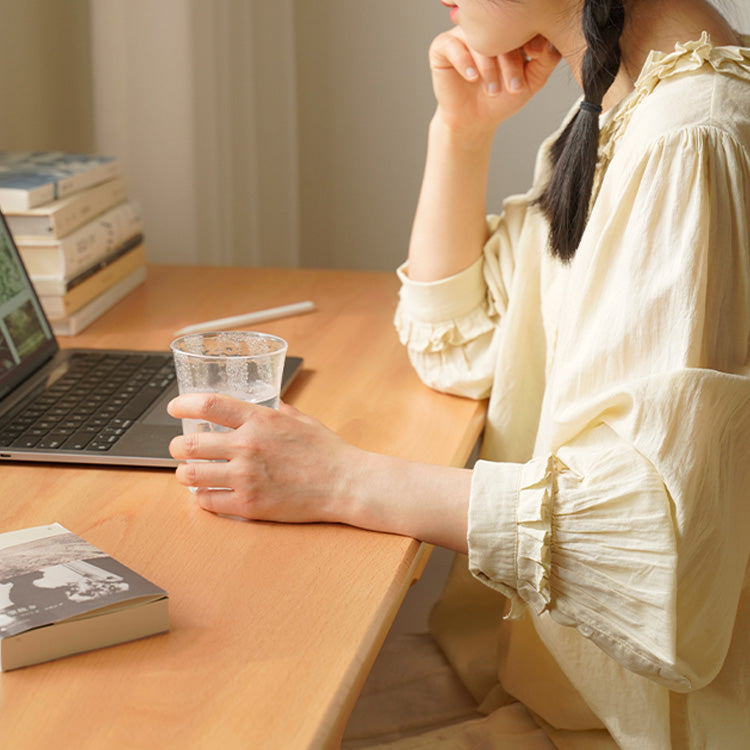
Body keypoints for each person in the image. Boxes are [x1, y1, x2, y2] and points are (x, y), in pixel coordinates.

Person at [168, 0, 750, 746]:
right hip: (540, 676)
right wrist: (461, 132)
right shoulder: (628, 105)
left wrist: (340, 480)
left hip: (625, 722)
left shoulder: (688, 138)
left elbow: (658, 556)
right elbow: (464, 345)